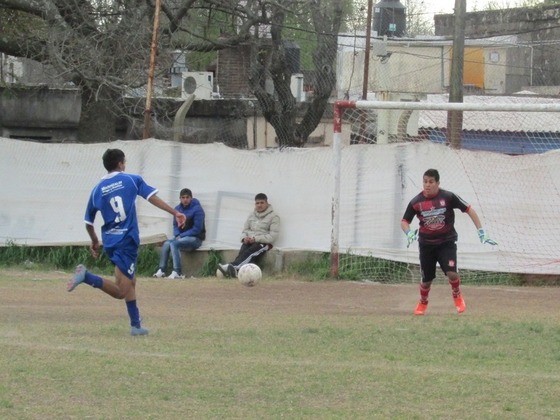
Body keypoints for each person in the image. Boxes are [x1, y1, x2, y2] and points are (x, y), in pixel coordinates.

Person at [66, 148, 186, 336]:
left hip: (111, 242)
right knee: (122, 290)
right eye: (125, 162)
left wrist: (95, 241)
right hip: (127, 241)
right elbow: (152, 197)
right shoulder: (131, 179)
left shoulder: (97, 189)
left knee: (131, 281)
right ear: (121, 164)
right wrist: (175, 212)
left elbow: (88, 222)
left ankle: (136, 325)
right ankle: (86, 276)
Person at [401, 168, 497, 316]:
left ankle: (457, 295)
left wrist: (481, 232)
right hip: (426, 245)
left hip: (446, 242)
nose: (427, 185)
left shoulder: (448, 197)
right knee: (426, 281)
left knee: (452, 273)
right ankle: (423, 301)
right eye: (425, 182)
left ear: (438, 183)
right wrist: (408, 233)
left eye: (431, 182)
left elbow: (469, 209)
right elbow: (404, 221)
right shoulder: (416, 202)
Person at [218, 193, 280, 278]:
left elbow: (273, 236)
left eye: (262, 203)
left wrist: (256, 239)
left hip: (263, 243)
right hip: (250, 241)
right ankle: (236, 272)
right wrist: (244, 238)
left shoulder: (274, 217)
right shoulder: (251, 215)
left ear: (267, 203)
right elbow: (245, 230)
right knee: (243, 251)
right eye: (257, 203)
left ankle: (233, 267)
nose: (259, 205)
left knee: (250, 253)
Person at [153, 188, 206, 279]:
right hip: (181, 237)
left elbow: (197, 229)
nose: (185, 200)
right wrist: (177, 235)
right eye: (183, 197)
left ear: (191, 198)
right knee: (166, 243)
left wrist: (181, 236)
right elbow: (175, 225)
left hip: (195, 238)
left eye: (187, 197)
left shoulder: (198, 210)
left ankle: (177, 271)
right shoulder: (177, 209)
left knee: (174, 243)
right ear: (180, 199)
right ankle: (161, 270)